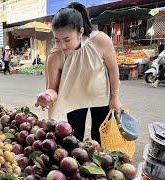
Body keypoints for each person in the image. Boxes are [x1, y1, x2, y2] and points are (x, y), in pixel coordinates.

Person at [36, 2, 121, 143]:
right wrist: (46, 96)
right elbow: (52, 88)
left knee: (100, 138)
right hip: (73, 100)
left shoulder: (100, 41)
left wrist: (115, 97)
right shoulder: (55, 56)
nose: (61, 46)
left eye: (66, 40)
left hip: (101, 97)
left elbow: (113, 69)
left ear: (80, 32)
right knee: (74, 139)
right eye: (57, 40)